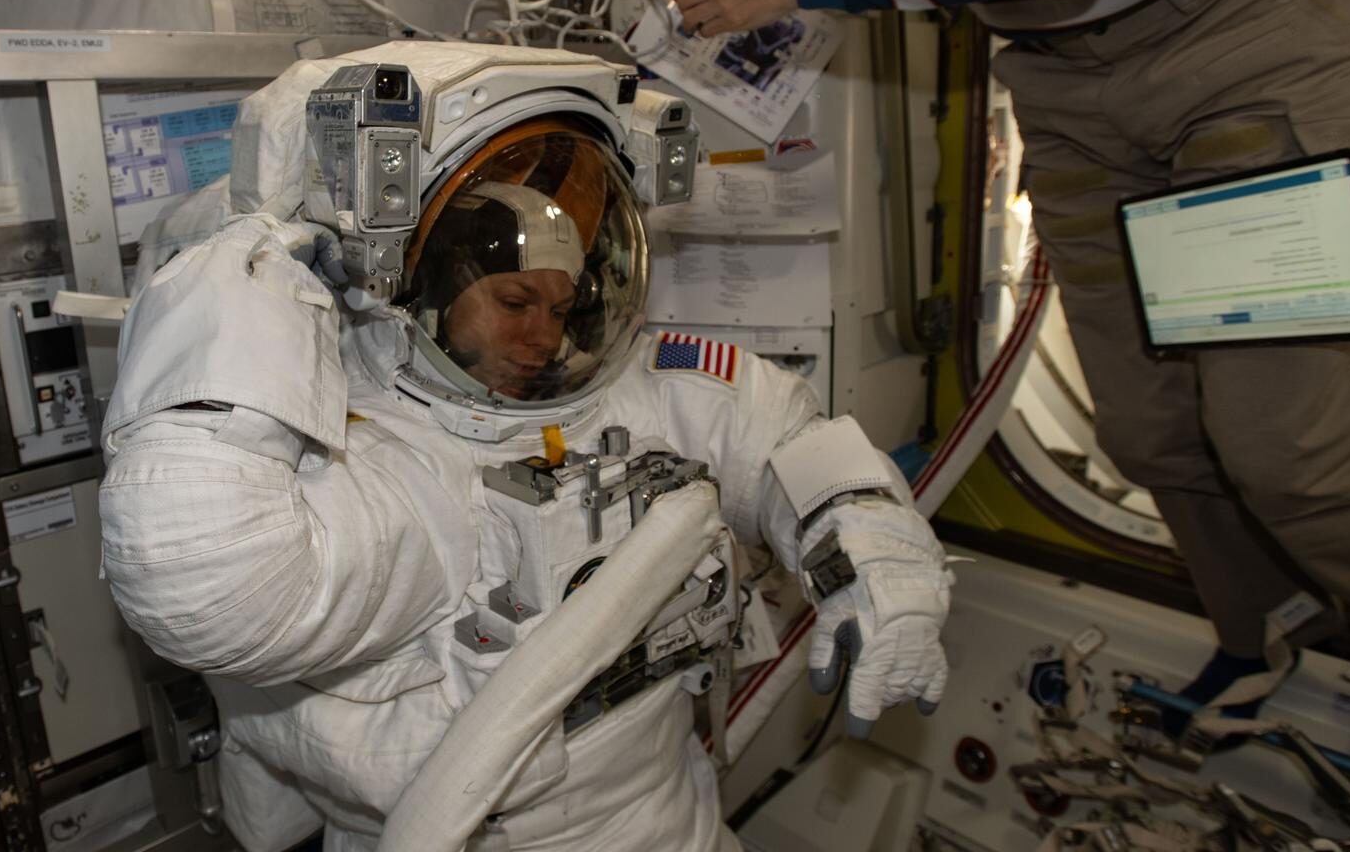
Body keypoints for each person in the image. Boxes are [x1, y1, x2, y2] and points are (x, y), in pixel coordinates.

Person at [396, 0, 1350, 787]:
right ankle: (1261, 631)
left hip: (1231, 29)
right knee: (1148, 425)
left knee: (1285, 434)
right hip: (1065, 67)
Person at [96, 47, 951, 851]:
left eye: (561, 305)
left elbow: (792, 444)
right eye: (513, 303)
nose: (545, 335)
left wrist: (878, 565)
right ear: (434, 292)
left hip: (667, 818)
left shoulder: (639, 390)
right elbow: (203, 582)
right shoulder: (378, 459)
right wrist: (247, 270)